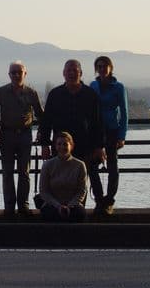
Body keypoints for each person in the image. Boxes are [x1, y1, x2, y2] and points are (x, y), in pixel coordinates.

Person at [38, 59, 104, 209]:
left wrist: (99, 146)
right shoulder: (55, 94)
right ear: (63, 74)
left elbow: (98, 123)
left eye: (75, 70)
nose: (72, 73)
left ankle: (78, 209)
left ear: (81, 73)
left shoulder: (90, 94)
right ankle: (58, 209)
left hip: (84, 145)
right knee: (57, 178)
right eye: (69, 70)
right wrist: (45, 145)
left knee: (83, 180)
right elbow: (46, 121)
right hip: (60, 145)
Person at [0, 60, 43, 216]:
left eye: (19, 72)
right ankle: (9, 206)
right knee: (7, 173)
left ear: (24, 74)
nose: (16, 75)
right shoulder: (1, 92)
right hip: (6, 135)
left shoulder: (31, 93)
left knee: (24, 173)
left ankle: (23, 206)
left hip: (25, 135)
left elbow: (41, 115)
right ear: (9, 75)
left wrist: (40, 131)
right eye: (13, 72)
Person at [89, 56, 128, 215]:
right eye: (99, 66)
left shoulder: (119, 87)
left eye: (104, 66)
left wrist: (122, 135)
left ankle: (109, 200)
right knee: (92, 166)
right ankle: (99, 199)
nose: (102, 68)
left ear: (111, 68)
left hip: (112, 130)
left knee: (113, 166)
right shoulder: (93, 86)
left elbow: (124, 113)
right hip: (96, 131)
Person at [39, 131, 87, 222]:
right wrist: (58, 206)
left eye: (65, 144)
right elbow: (44, 191)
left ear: (71, 146)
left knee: (80, 214)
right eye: (59, 144)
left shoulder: (80, 165)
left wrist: (69, 206)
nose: (62, 147)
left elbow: (82, 191)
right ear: (55, 146)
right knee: (47, 214)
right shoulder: (48, 165)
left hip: (73, 204)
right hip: (52, 204)